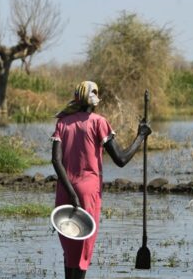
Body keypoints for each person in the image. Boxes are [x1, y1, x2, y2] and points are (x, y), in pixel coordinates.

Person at [51, 81, 152, 279]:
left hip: (64, 190)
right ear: (95, 101)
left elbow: (56, 160)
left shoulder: (63, 123)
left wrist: (70, 192)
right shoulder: (98, 122)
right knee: (82, 252)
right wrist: (140, 136)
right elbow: (121, 159)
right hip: (87, 192)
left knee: (69, 252)